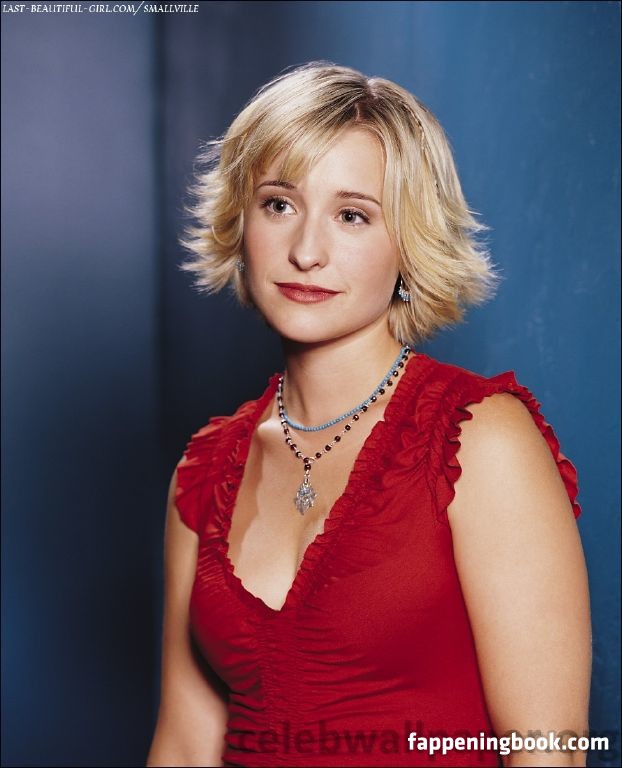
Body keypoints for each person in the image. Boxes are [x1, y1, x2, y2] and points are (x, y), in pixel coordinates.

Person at [146, 62, 591, 768]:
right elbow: (183, 746)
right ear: (241, 220)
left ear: (408, 243)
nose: (306, 252)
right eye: (279, 204)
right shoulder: (203, 471)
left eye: (352, 215)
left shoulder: (480, 440)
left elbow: (547, 752)